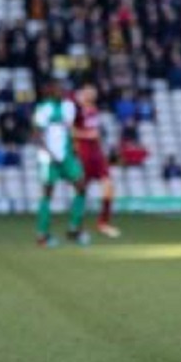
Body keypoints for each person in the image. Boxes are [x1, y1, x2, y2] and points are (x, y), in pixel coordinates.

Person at [32, 80, 89, 247]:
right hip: (48, 158)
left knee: (81, 186)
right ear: (49, 90)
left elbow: (69, 129)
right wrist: (49, 153)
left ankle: (74, 229)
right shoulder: (43, 109)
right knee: (47, 194)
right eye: (57, 88)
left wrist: (74, 148)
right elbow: (37, 135)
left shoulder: (69, 106)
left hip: (67, 156)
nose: (61, 91)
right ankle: (42, 235)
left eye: (63, 88)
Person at [73, 83, 120, 238]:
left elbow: (96, 133)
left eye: (94, 92)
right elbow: (70, 130)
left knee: (109, 187)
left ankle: (103, 223)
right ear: (82, 93)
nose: (92, 94)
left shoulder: (94, 110)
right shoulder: (76, 110)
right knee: (81, 191)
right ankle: (77, 225)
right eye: (88, 92)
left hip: (97, 155)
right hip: (84, 154)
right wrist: (87, 135)